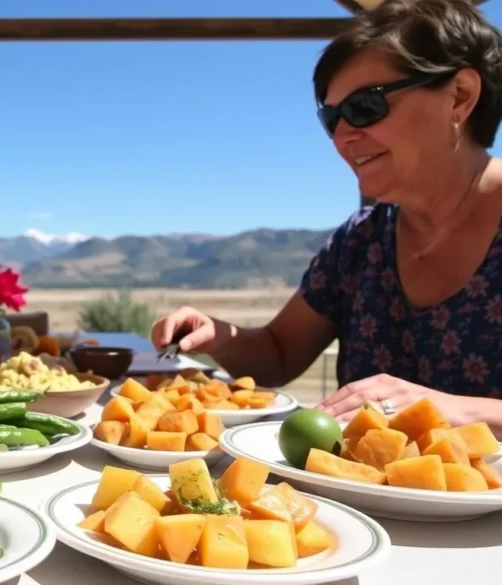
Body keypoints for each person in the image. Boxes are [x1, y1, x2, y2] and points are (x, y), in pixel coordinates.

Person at [151, 0, 502, 437]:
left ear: (460, 97)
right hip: (358, 502)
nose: (342, 136)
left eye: (365, 107)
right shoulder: (361, 241)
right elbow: (279, 356)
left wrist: (458, 410)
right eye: (330, 119)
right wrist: (218, 335)